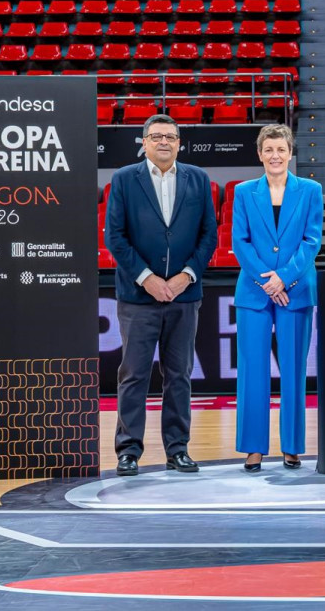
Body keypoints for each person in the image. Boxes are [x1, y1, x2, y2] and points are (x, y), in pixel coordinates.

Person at [104, 114, 218, 477]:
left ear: (180, 142)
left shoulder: (197, 179)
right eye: (156, 136)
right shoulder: (124, 179)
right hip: (138, 297)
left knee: (179, 376)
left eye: (170, 136)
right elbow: (115, 237)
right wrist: (147, 278)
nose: (164, 142)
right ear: (144, 142)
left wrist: (185, 276)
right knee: (134, 374)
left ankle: (178, 450)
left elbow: (208, 236)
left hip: (185, 296)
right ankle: (128, 451)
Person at [230, 124, 323, 472]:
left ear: (290, 152)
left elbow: (311, 242)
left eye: (281, 149)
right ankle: (253, 448)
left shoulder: (311, 190)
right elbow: (241, 242)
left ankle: (292, 446)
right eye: (268, 150)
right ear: (259, 154)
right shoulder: (243, 192)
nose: (275, 156)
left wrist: (284, 277)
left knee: (294, 371)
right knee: (252, 372)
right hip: (254, 293)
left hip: (296, 291)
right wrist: (267, 281)